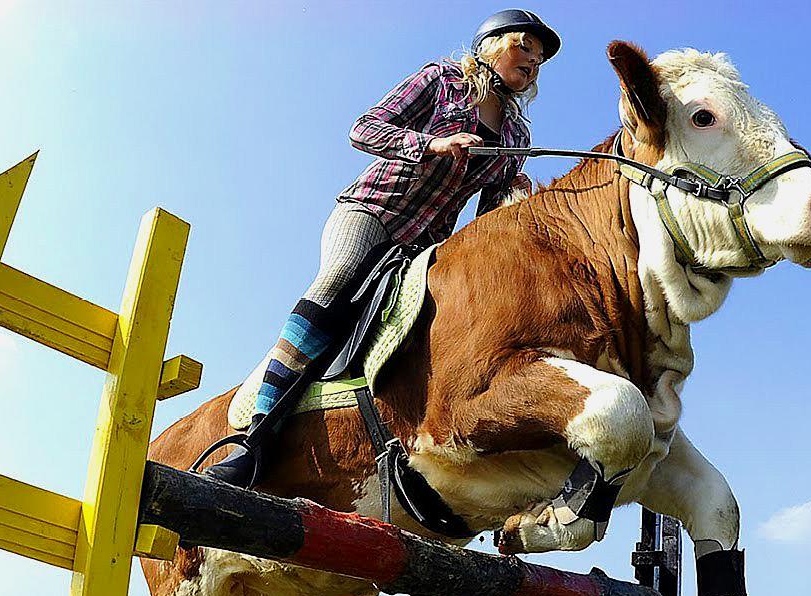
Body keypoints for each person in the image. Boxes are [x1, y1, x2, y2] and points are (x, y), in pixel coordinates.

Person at [205, 9, 561, 486]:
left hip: (428, 244)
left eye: (539, 59)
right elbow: (366, 128)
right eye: (525, 49)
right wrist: (430, 145)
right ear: (491, 45)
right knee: (339, 280)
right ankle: (254, 440)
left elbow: (487, 218)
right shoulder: (442, 80)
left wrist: (514, 200)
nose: (533, 63)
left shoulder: (519, 137)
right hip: (373, 213)